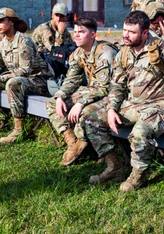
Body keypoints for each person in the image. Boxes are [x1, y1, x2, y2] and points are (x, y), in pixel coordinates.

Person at [81, 10, 164, 192]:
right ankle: (115, 167)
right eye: (124, 30)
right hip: (132, 105)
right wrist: (112, 109)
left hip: (159, 106)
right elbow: (117, 86)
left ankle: (138, 175)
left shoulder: (162, 49)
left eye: (132, 32)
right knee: (90, 119)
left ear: (145, 33)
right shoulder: (123, 53)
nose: (126, 35)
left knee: (140, 131)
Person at [0, 7, 52, 143]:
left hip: (39, 80)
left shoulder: (24, 40)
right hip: (19, 78)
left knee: (13, 83)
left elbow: (25, 71)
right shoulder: (0, 40)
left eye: (1, 21)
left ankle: (19, 130)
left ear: (11, 22)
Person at [46, 17, 117, 165]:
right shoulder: (78, 53)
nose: (76, 35)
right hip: (94, 90)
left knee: (86, 112)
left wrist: (80, 102)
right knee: (52, 103)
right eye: (75, 31)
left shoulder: (105, 53)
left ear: (92, 35)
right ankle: (72, 142)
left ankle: (105, 155)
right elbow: (72, 79)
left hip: (112, 94)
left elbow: (105, 88)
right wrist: (60, 96)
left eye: (81, 32)